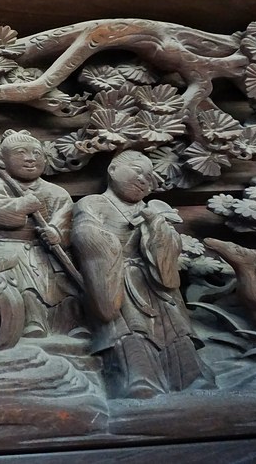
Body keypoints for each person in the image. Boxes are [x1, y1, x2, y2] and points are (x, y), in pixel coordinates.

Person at [72, 150, 204, 399]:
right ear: (112, 170)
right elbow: (85, 233)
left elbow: (171, 245)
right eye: (137, 171)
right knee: (130, 331)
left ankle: (190, 376)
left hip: (154, 283)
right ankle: (140, 379)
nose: (144, 179)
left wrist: (157, 227)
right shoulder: (93, 203)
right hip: (116, 278)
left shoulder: (151, 209)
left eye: (150, 177)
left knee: (175, 331)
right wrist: (108, 244)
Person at [0, 130, 79, 337]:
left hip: (48, 250)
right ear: (1, 160)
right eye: (20, 152)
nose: (30, 158)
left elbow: (66, 216)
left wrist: (56, 231)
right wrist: (22, 205)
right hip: (8, 246)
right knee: (23, 286)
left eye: (37, 153)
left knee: (66, 288)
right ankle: (32, 323)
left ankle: (70, 324)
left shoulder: (56, 192)